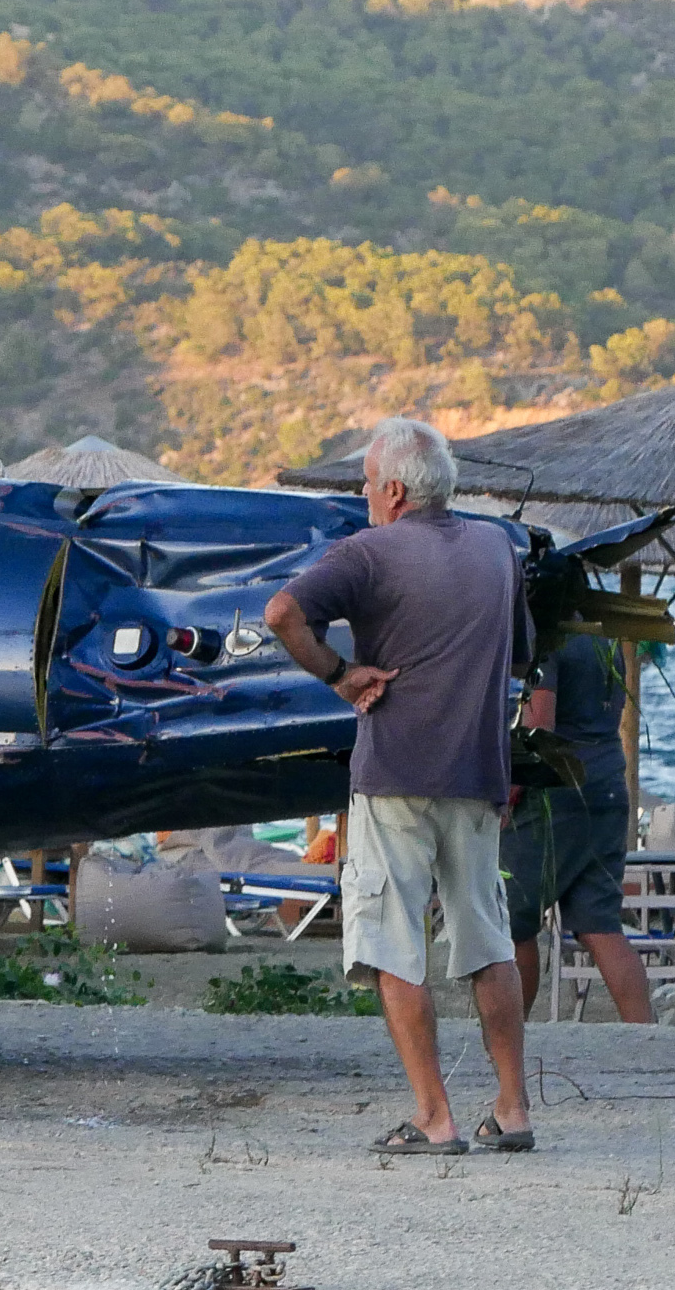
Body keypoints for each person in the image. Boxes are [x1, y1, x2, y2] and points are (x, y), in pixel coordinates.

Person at [266, 416, 537, 1153]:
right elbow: (520, 658)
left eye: (364, 484)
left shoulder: (368, 552)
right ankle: (512, 1110)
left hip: (394, 774)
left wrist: (339, 675)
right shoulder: (496, 547)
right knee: (488, 941)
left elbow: (283, 612)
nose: (361, 495)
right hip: (480, 773)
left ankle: (434, 1118)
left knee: (394, 944)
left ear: (391, 490)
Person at [505, 625, 655, 1026]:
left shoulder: (545, 636)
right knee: (600, 924)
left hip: (557, 792)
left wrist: (511, 786)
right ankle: (646, 1034)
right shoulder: (601, 635)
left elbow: (540, 724)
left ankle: (507, 1036)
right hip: (606, 784)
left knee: (513, 921)